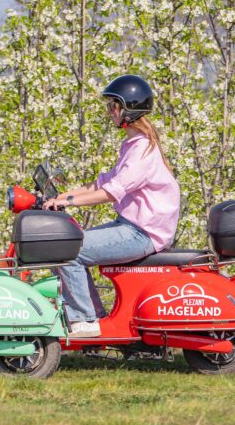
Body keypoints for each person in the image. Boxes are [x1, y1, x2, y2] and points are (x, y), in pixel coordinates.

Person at [46, 75, 181, 337]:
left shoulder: (143, 151)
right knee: (67, 245)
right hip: (131, 226)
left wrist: (68, 202)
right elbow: (102, 183)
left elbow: (110, 193)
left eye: (113, 106)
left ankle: (84, 319)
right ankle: (93, 318)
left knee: (66, 250)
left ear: (129, 110)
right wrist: (61, 196)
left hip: (142, 233)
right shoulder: (132, 145)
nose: (110, 112)